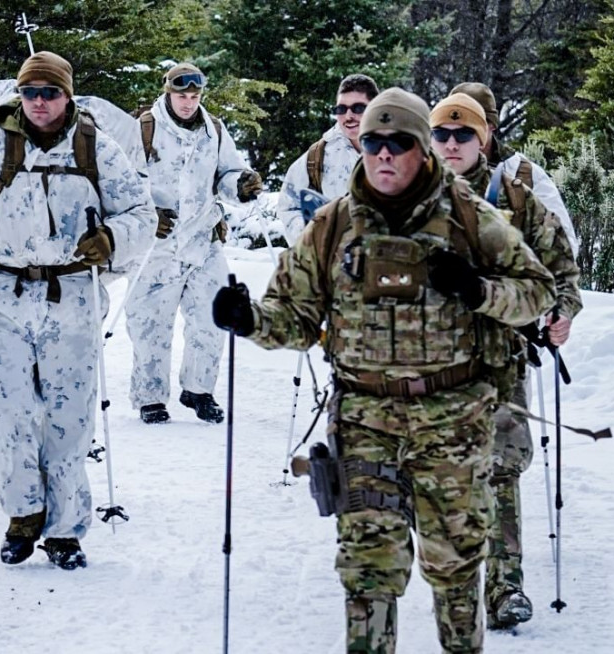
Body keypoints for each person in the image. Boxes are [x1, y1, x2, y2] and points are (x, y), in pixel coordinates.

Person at [212, 88, 556, 653]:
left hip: (453, 421)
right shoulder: (332, 226)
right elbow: (295, 318)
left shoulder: (471, 217)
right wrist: (248, 319)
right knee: (368, 572)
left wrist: (477, 289)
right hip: (365, 421)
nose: (384, 154)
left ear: (422, 149)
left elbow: (536, 292)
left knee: (454, 566)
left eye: (399, 142)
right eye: (373, 142)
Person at [0, 51, 154, 569]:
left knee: (68, 419)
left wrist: (111, 239)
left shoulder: (97, 149)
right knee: (1, 412)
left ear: (67, 96)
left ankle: (64, 530)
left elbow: (141, 213)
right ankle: (23, 514)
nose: (38, 102)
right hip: (2, 296)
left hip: (72, 296)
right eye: (30, 92)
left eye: (49, 93)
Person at [429, 93, 582, 629]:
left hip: (501, 356)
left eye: (463, 135)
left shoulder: (516, 199)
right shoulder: (400, 195)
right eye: (442, 135)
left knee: (499, 469)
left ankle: (506, 587)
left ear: (484, 138)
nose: (452, 144)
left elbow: (561, 265)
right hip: (427, 365)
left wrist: (560, 312)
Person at [124, 62, 261, 426]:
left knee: (211, 318)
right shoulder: (144, 129)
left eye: (194, 96)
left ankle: (199, 390)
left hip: (202, 240)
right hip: (158, 245)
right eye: (181, 95)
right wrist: (147, 214)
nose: (188, 102)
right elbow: (122, 182)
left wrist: (241, 185)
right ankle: (150, 398)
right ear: (169, 92)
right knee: (150, 325)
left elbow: (226, 174)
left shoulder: (213, 129)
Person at [449, 82, 579, 257]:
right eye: (449, 128)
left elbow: (564, 246)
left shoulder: (524, 174)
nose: (456, 138)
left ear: (491, 126)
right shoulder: (426, 172)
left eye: (472, 125)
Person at [277, 74, 380, 245]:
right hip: (335, 266)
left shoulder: (400, 149)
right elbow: (288, 205)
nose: (348, 116)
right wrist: (312, 239)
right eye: (341, 109)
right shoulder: (319, 155)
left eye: (358, 108)